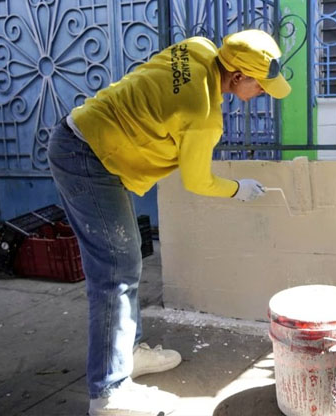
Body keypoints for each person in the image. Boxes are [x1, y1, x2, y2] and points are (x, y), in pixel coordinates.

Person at [47, 29, 290, 416]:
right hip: (87, 157)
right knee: (115, 270)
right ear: (239, 76)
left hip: (88, 140)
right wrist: (237, 188)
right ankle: (108, 392)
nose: (264, 91)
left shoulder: (197, 48)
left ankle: (127, 353)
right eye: (260, 84)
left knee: (125, 263)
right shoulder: (203, 116)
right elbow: (197, 181)